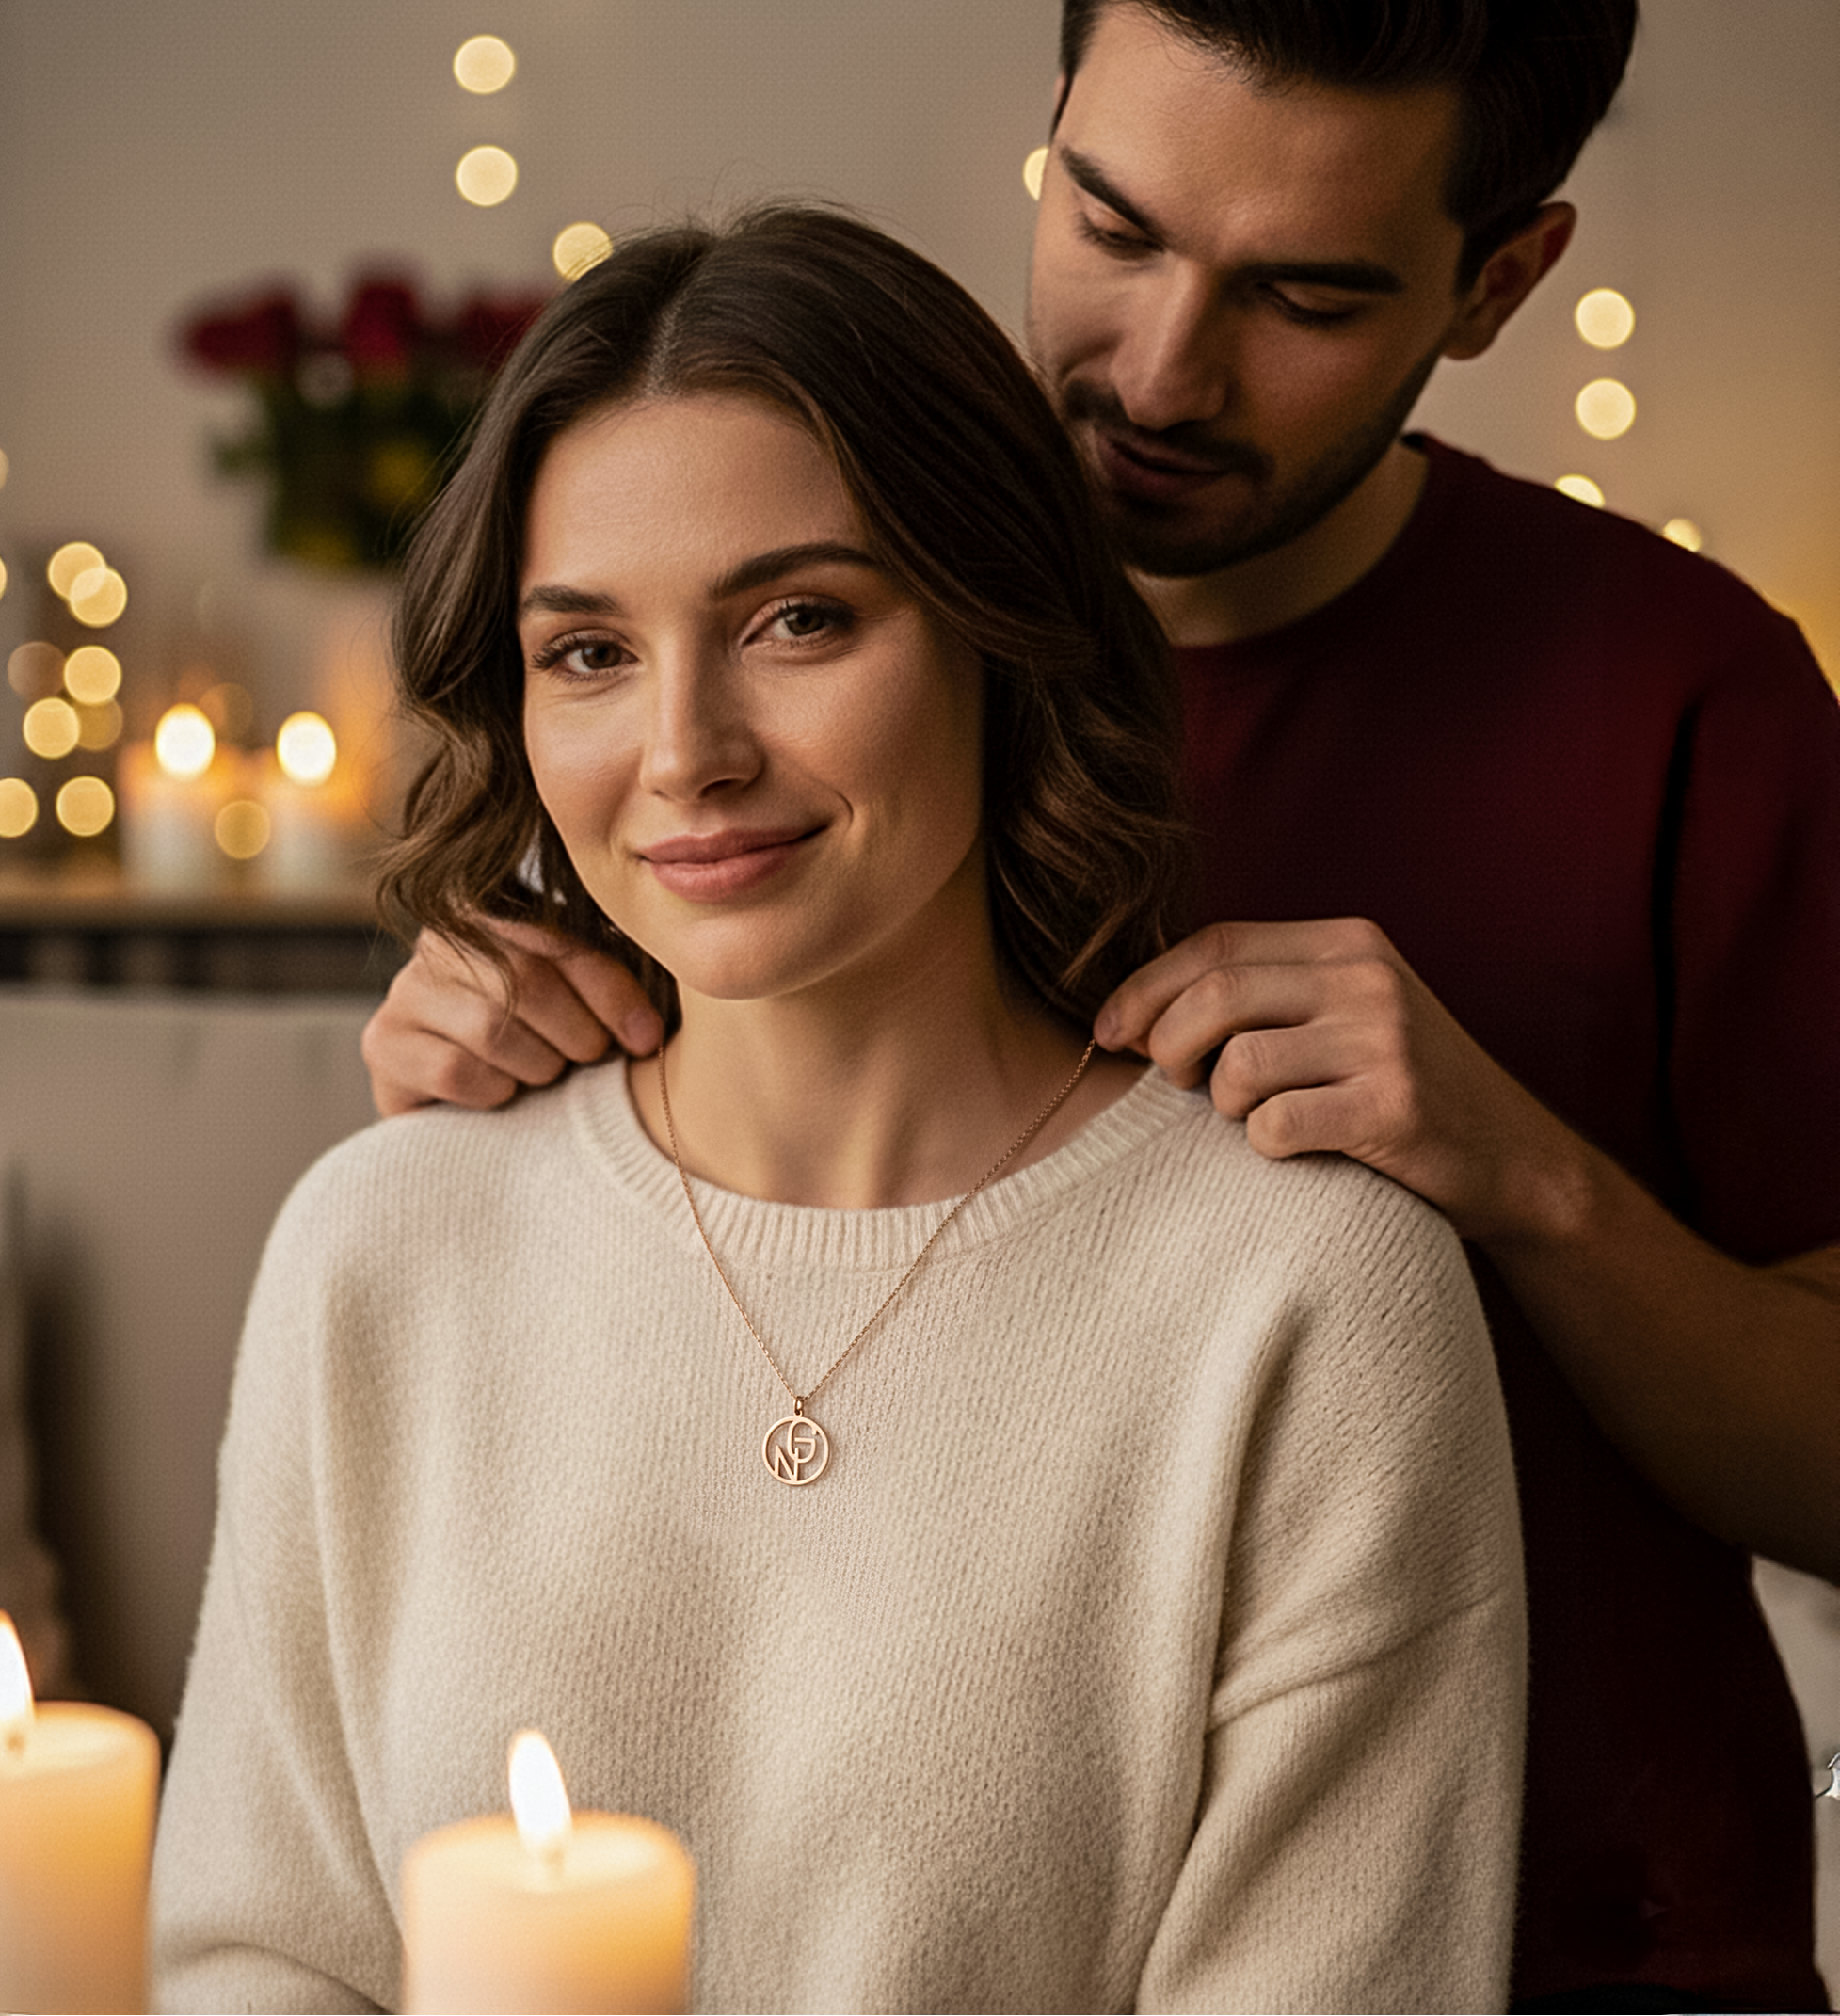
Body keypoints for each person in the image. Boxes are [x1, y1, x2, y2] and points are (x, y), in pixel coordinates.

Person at [358, 0, 1840, 2010]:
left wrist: (1532, 1180)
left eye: (1306, 296)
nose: (1158, 371)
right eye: (1114, 226)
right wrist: (476, 1087)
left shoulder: (1685, 697)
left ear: (1498, 282)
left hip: (1597, 1942)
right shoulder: (759, 700)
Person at [152, 207, 1526, 2013]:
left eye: (799, 619)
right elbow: (258, 1954)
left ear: (996, 628)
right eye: (588, 653)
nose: (686, 753)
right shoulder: (381, 1244)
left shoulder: (1311, 1295)